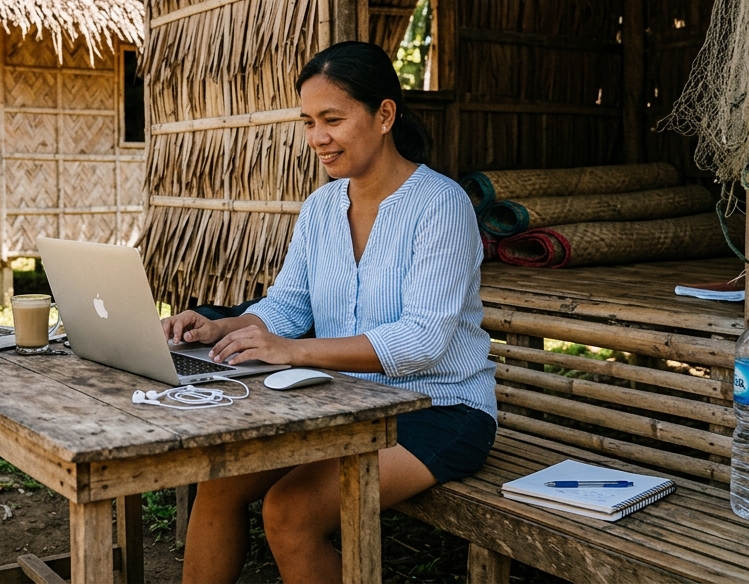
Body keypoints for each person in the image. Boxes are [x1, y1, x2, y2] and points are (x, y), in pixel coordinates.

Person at [161, 41, 497, 584]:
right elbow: (290, 305)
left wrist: (292, 351)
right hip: (346, 405)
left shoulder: (441, 204)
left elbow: (424, 338)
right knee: (218, 481)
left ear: (384, 114)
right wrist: (222, 326)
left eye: (333, 119)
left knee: (289, 513)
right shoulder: (321, 208)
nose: (318, 137)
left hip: (441, 410)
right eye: (309, 121)